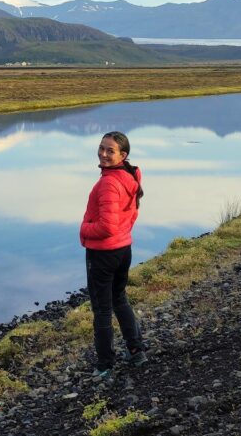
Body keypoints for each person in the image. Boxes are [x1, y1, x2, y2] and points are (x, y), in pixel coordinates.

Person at [80, 131, 146, 379]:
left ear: (123, 155)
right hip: (123, 249)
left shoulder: (109, 183)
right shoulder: (129, 176)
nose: (103, 154)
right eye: (101, 148)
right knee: (119, 299)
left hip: (103, 254)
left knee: (103, 310)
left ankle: (105, 365)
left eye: (110, 150)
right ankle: (136, 350)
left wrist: (84, 229)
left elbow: (107, 226)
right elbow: (131, 215)